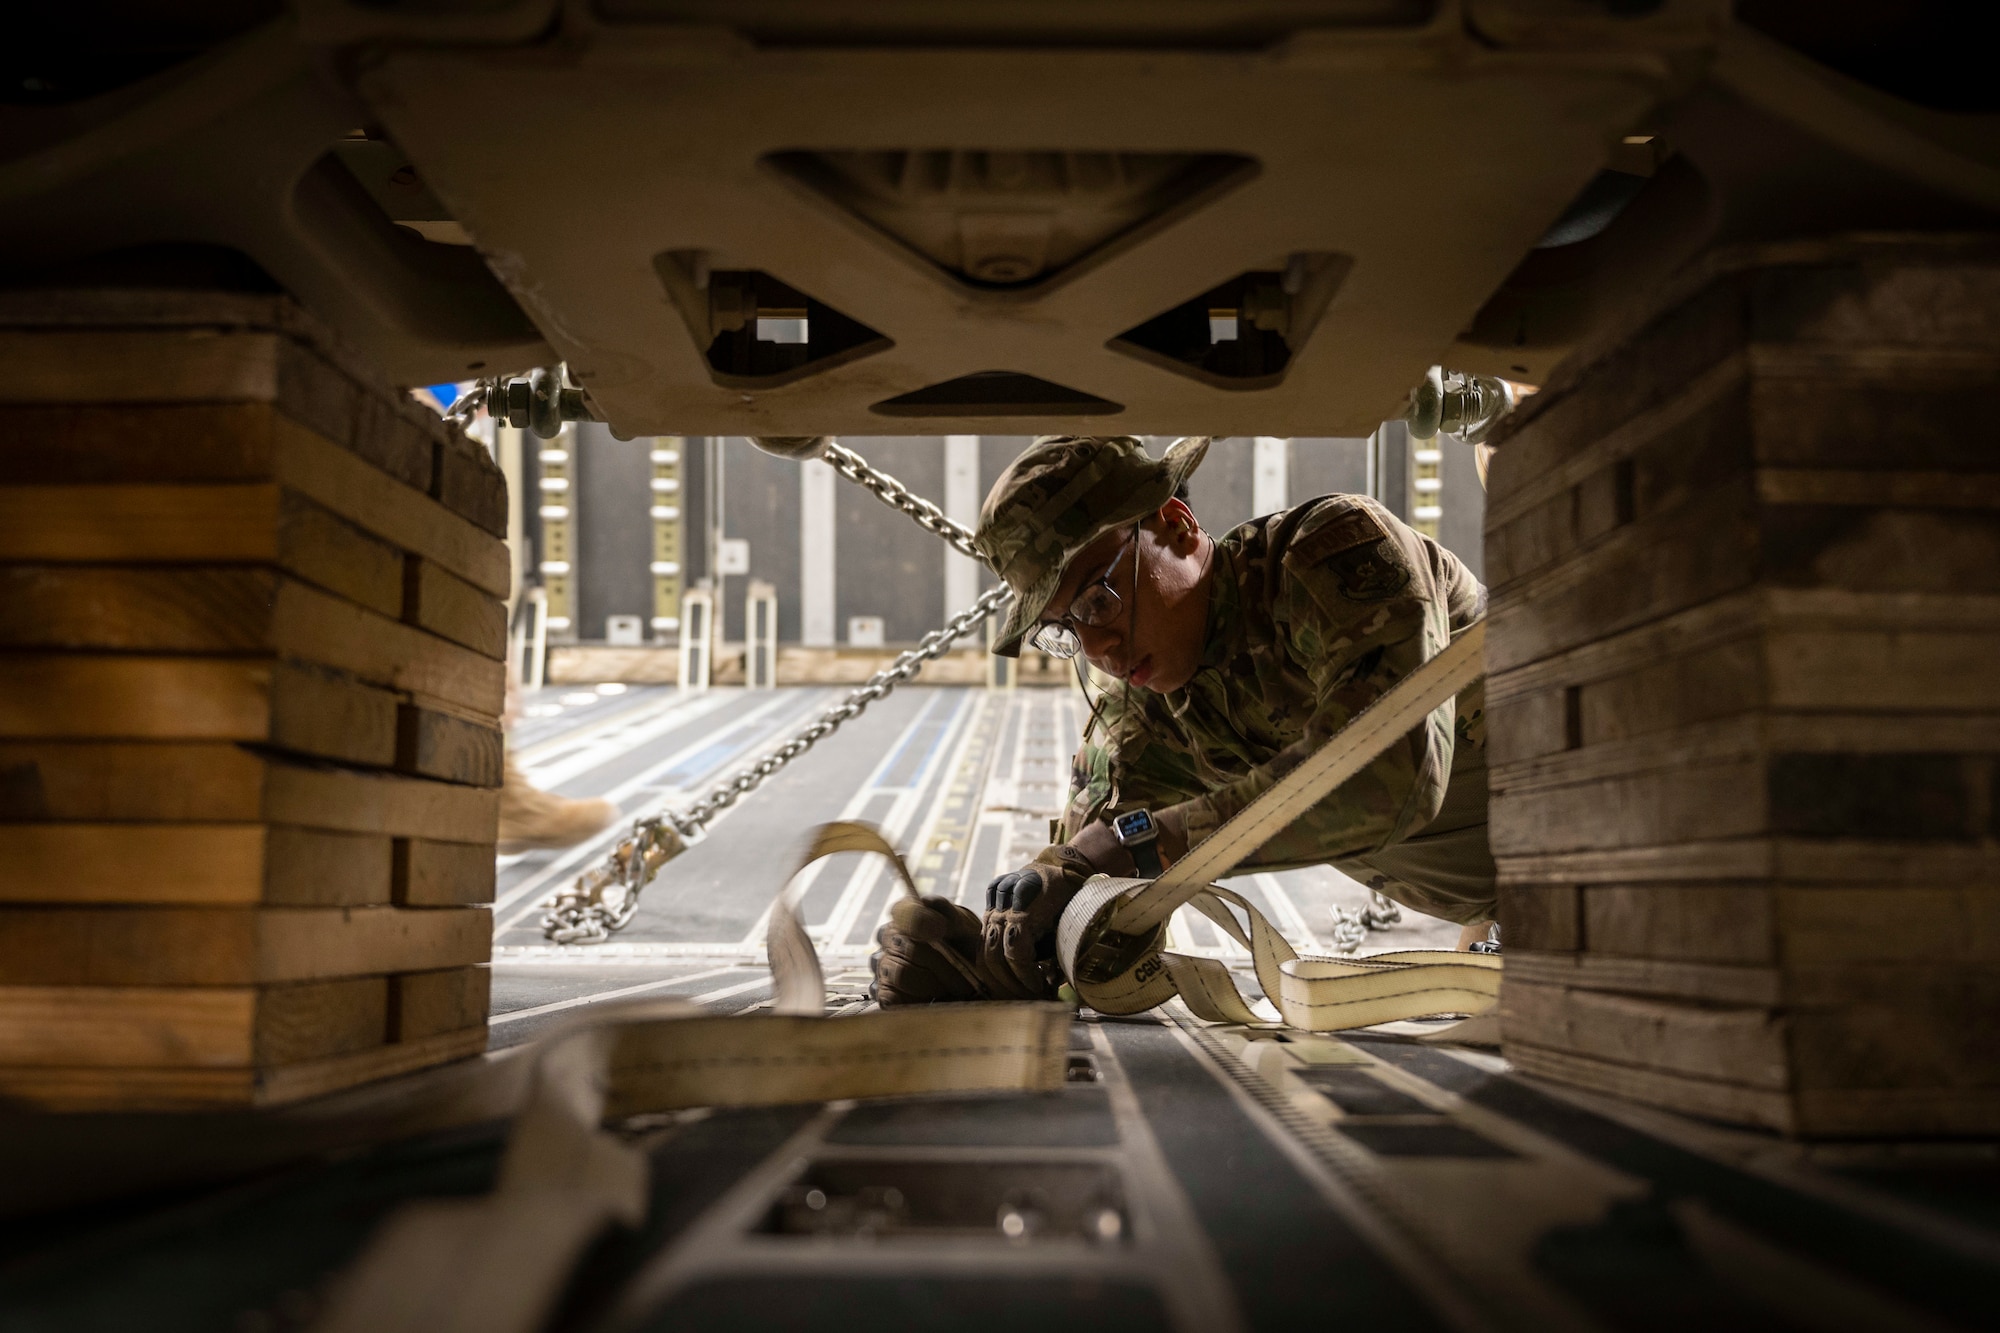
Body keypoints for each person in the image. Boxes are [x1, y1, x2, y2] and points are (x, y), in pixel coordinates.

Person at [871, 434, 1494, 1005]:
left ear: (1175, 524)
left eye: (1097, 598)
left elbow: (1394, 773)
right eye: (1065, 629)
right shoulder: (1144, 711)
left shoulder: (1325, 557)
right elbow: (1098, 914)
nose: (1097, 649)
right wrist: (982, 954)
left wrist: (1145, 841)